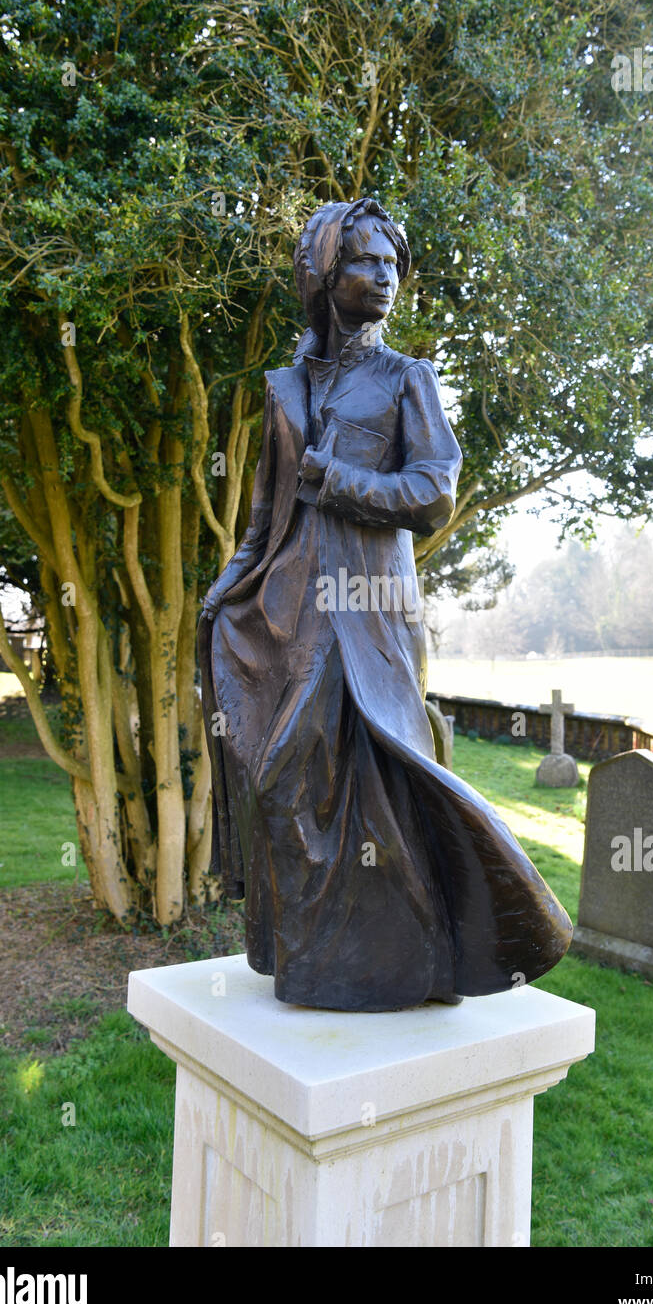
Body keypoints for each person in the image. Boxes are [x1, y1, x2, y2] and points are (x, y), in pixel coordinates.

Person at [197, 197, 572, 1010]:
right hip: (293, 611)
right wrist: (228, 588)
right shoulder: (284, 389)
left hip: (370, 613)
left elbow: (433, 493)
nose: (384, 278)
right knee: (282, 782)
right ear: (326, 273)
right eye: (366, 261)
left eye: (393, 265)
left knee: (386, 781)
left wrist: (343, 483)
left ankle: (421, 958)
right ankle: (316, 959)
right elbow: (263, 519)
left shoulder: (408, 380)